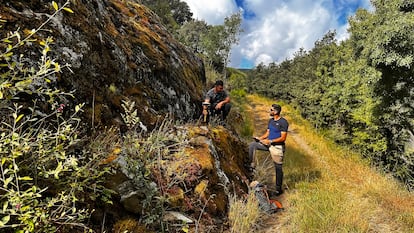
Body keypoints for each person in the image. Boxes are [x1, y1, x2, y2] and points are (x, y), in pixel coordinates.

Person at [247, 104, 289, 196]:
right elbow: (268, 133)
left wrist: (270, 141)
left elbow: (283, 138)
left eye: (271, 110)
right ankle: (251, 166)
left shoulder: (283, 122)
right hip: (268, 144)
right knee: (253, 145)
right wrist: (260, 138)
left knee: (278, 167)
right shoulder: (271, 121)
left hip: (277, 147)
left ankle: (278, 189)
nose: (269, 111)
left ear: (276, 112)